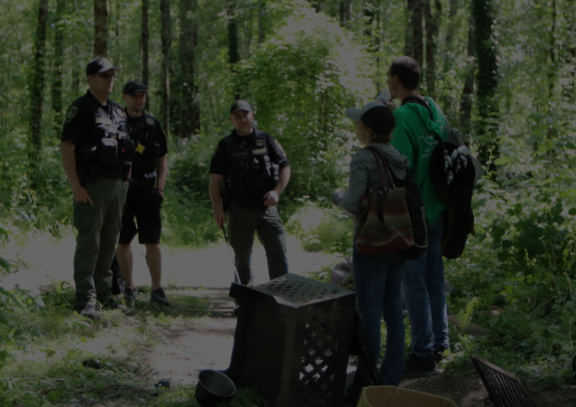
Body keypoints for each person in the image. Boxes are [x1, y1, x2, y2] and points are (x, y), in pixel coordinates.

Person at [331, 102, 408, 405]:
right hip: (399, 241)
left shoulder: (363, 157)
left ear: (369, 129)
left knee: (371, 318)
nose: (356, 128)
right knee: (394, 314)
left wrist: (336, 196)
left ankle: (362, 385)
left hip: (371, 244)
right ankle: (390, 379)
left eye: (359, 124)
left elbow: (352, 204)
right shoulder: (400, 158)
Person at [386, 56, 449, 376]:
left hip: (415, 214)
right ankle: (441, 343)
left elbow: (399, 168)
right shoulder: (434, 109)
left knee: (415, 284)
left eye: (389, 79)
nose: (388, 84)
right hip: (439, 209)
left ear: (396, 80)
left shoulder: (404, 117)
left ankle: (423, 354)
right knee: (435, 279)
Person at [61, 57, 133, 320]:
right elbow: (67, 148)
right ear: (90, 78)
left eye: (112, 75)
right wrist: (76, 186)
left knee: (110, 241)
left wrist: (126, 180)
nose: (110, 80)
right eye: (104, 76)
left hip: (117, 186)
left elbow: (127, 149)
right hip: (92, 185)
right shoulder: (81, 108)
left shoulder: (117, 111)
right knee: (90, 240)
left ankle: (104, 295)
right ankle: (85, 299)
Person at [209, 100, 290, 289]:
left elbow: (285, 165)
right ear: (231, 119)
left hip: (266, 207)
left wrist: (277, 192)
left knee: (278, 252)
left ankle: (282, 298)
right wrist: (217, 209)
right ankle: (245, 302)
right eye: (237, 116)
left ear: (252, 115)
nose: (242, 119)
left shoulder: (266, 139)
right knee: (242, 258)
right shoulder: (225, 146)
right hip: (239, 209)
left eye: (245, 115)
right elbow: (215, 180)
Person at [115, 79, 169, 306]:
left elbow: (162, 159)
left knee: (152, 242)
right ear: (125, 97)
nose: (139, 100)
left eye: (142, 96)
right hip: (122, 193)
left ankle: (157, 289)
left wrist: (160, 189)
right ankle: (129, 286)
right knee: (123, 240)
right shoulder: (115, 122)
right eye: (135, 95)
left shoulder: (152, 124)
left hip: (148, 192)